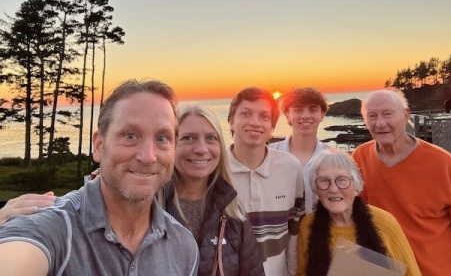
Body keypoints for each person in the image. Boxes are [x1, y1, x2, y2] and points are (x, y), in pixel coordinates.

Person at [0, 79, 199, 275]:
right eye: (130, 136)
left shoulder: (184, 248)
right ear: (98, 145)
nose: (148, 157)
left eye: (162, 138)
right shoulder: (55, 228)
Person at [352, 89, 451, 275]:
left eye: (388, 114)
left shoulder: (444, 165)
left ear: (406, 115)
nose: (380, 123)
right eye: (372, 116)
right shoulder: (359, 159)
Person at [163, 104, 264, 275]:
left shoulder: (233, 212)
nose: (201, 149)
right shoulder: (149, 208)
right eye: (188, 138)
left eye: (211, 138)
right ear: (171, 144)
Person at [297, 148, 421, 276]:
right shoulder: (308, 226)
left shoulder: (384, 224)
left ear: (356, 186)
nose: (333, 189)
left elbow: (412, 274)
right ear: (316, 189)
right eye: (324, 181)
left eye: (342, 180)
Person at [227, 87, 305, 276]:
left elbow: (294, 231)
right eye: (246, 114)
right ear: (231, 122)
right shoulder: (214, 169)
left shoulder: (291, 168)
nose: (255, 122)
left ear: (272, 127)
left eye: (264, 116)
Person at [269, 87, 329, 212]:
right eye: (298, 110)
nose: (306, 116)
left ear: (322, 115)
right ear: (287, 115)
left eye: (313, 110)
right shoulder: (268, 155)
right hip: (279, 230)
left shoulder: (334, 158)